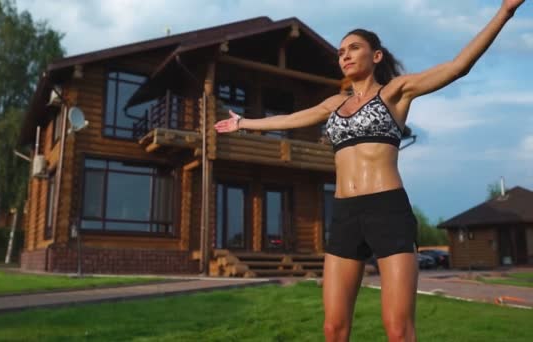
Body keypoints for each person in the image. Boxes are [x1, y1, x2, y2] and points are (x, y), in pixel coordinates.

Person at [214, 1, 526, 340]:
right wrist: (243, 122)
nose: (345, 55)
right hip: (345, 213)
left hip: (387, 209)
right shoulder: (334, 104)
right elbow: (289, 119)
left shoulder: (395, 93)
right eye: (341, 51)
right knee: (333, 328)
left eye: (354, 48)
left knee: (397, 329)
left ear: (376, 56)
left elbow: (458, 66)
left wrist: (505, 11)